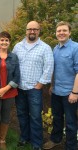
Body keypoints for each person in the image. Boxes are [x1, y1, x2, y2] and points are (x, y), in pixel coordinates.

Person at [13, 21, 54, 150]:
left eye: (35, 29)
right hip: (19, 88)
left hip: (34, 89)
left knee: (36, 116)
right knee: (21, 114)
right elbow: (12, 64)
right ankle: (24, 137)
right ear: (26, 30)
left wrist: (40, 84)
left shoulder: (45, 48)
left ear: (39, 31)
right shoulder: (18, 46)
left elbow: (49, 67)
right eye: (29, 29)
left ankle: (37, 144)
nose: (32, 31)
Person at [43, 21, 78, 150]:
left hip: (70, 93)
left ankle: (71, 146)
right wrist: (52, 85)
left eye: (64, 30)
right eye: (59, 31)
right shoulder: (55, 48)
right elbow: (54, 69)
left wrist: (75, 92)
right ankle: (56, 140)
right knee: (57, 118)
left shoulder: (75, 48)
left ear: (69, 32)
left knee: (70, 122)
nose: (61, 33)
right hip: (57, 91)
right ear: (56, 33)